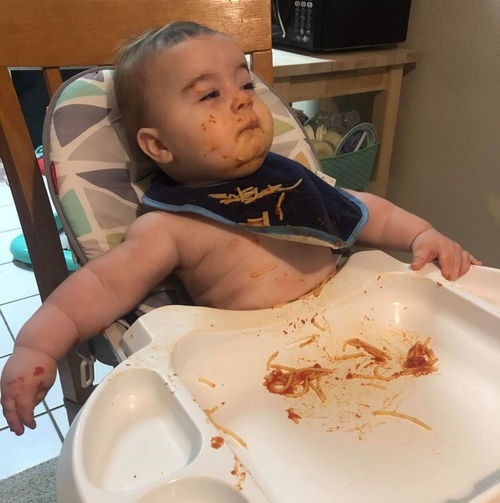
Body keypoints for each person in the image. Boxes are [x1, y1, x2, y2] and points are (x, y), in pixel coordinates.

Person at [0, 21, 481, 436]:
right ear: (159, 146)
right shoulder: (172, 224)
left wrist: (421, 235)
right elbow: (98, 288)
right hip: (252, 378)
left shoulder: (290, 178)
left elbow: (364, 210)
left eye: (245, 85)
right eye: (210, 94)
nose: (242, 101)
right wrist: (36, 346)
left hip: (359, 334)